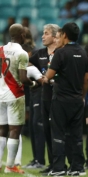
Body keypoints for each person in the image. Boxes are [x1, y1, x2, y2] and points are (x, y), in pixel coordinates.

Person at [43, 22, 88, 176]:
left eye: (60, 34)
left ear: (65, 35)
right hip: (77, 100)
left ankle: (58, 168)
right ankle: (77, 168)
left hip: (61, 100)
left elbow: (48, 76)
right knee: (76, 135)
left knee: (58, 134)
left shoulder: (60, 53)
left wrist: (40, 78)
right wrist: (81, 97)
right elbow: (86, 80)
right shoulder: (84, 54)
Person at [0, 23, 37, 174]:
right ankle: (10, 166)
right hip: (15, 95)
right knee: (14, 130)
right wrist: (33, 83)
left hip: (0, 94)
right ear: (22, 36)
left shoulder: (1, 49)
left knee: (1, 130)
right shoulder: (21, 53)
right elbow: (23, 78)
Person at [24, 24, 60, 172]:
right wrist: (35, 79)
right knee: (37, 125)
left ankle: (52, 161)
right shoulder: (39, 53)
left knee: (50, 127)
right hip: (41, 93)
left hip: (57, 95)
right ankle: (42, 160)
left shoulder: (61, 53)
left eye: (46, 33)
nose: (43, 36)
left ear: (55, 36)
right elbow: (27, 65)